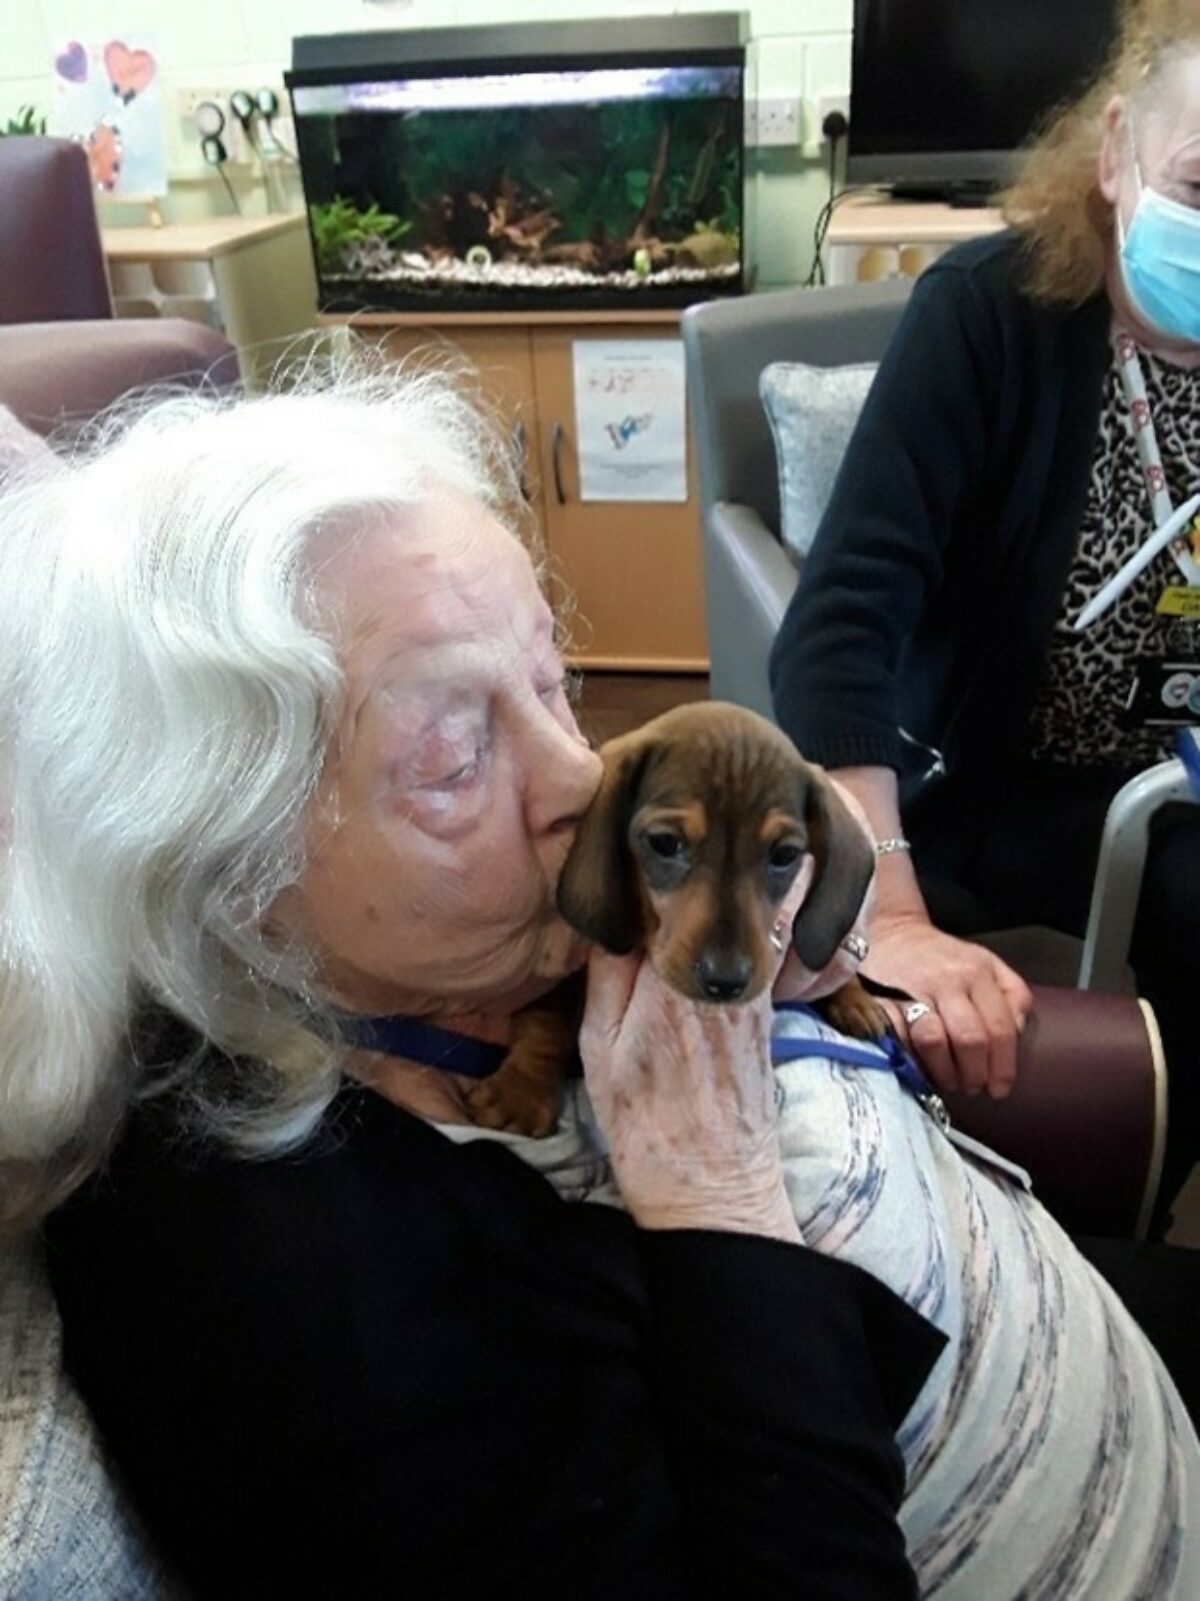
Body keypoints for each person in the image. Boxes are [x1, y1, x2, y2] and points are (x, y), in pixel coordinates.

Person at [1, 368, 1196, 1599]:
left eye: (552, 679)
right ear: (223, 866)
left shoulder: (461, 955)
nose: (586, 778)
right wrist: (714, 1191)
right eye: (458, 754)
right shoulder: (290, 1303)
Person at [770, 0, 1200, 1223]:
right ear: (1116, 153)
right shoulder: (988, 316)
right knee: (858, 1018)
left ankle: (1136, 1222)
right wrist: (892, 915)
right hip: (975, 790)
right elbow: (839, 627)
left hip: (1169, 790)